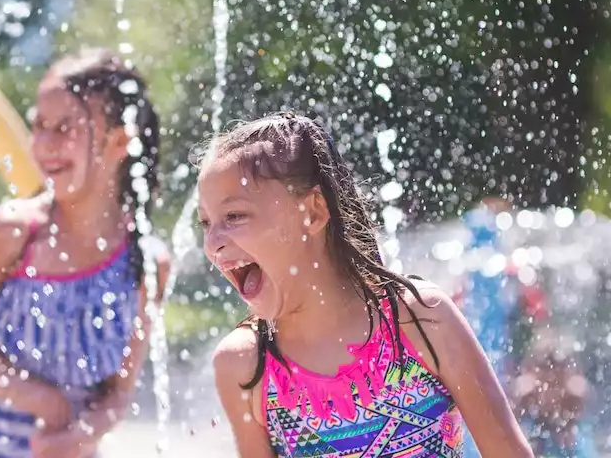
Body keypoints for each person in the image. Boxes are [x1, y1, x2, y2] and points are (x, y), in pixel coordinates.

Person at [198, 111, 533, 458]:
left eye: (234, 216)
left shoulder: (421, 321)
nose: (212, 243)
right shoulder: (246, 366)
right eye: (205, 223)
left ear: (312, 212)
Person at [0, 48, 170, 458]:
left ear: (119, 140)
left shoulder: (146, 262)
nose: (44, 144)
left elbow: (117, 394)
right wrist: (44, 401)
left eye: (65, 128)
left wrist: (83, 433)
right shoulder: (17, 232)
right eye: (39, 126)